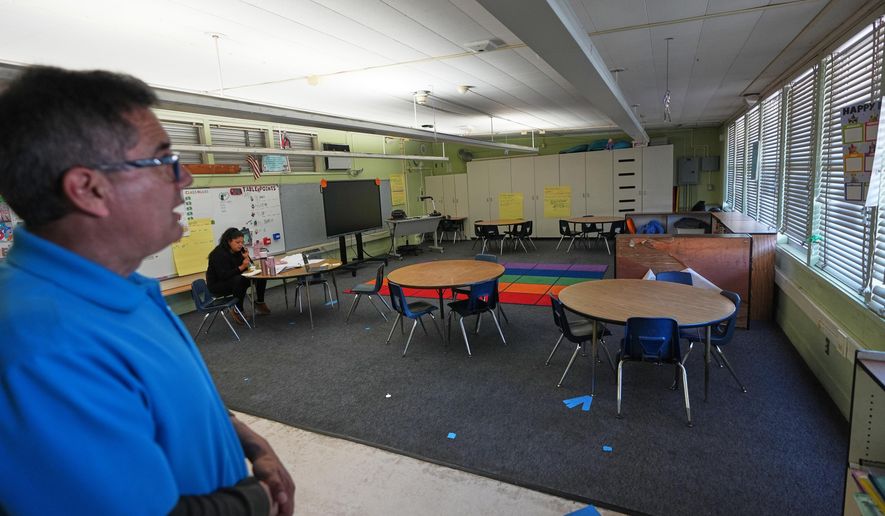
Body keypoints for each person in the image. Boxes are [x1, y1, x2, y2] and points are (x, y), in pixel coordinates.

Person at [0, 67, 294, 515]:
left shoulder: (122, 287)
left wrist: (249, 440)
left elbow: (172, 399)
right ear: (88, 189)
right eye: (164, 162)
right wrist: (257, 499)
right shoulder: (43, 344)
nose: (186, 180)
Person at [207, 228, 270, 325]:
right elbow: (223, 275)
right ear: (229, 241)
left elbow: (251, 267)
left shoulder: (240, 251)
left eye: (242, 242)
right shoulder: (218, 254)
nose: (241, 245)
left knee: (260, 275)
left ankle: (260, 302)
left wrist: (246, 258)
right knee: (239, 280)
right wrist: (241, 267)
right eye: (237, 242)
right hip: (218, 284)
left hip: (235, 280)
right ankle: (237, 309)